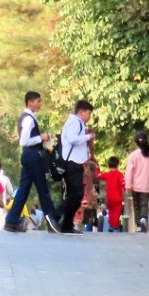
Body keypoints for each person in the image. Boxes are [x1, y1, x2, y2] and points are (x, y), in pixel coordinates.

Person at [3, 91, 62, 234]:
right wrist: (41, 137)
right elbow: (24, 141)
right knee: (43, 189)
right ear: (30, 102)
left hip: (28, 156)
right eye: (37, 101)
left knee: (23, 190)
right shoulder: (28, 119)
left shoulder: (28, 118)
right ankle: (52, 220)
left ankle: (11, 221)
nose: (39, 104)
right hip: (33, 155)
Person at [55, 100, 95, 234]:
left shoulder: (79, 124)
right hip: (72, 163)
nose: (89, 116)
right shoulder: (75, 122)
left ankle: (67, 224)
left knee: (76, 196)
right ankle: (55, 214)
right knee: (76, 195)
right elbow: (72, 139)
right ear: (81, 112)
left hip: (77, 162)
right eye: (88, 113)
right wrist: (88, 136)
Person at [125, 131, 149, 233]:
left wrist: (128, 184)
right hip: (146, 186)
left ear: (136, 142)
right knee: (144, 204)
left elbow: (129, 171)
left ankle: (138, 225)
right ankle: (143, 219)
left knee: (137, 205)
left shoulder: (133, 155)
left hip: (135, 186)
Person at [96, 157, 125, 232]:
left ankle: (111, 225)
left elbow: (98, 175)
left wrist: (97, 168)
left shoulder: (107, 174)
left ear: (108, 165)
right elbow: (123, 183)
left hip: (109, 197)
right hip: (117, 197)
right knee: (116, 212)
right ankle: (115, 226)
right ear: (117, 165)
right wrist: (125, 189)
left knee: (111, 211)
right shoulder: (119, 174)